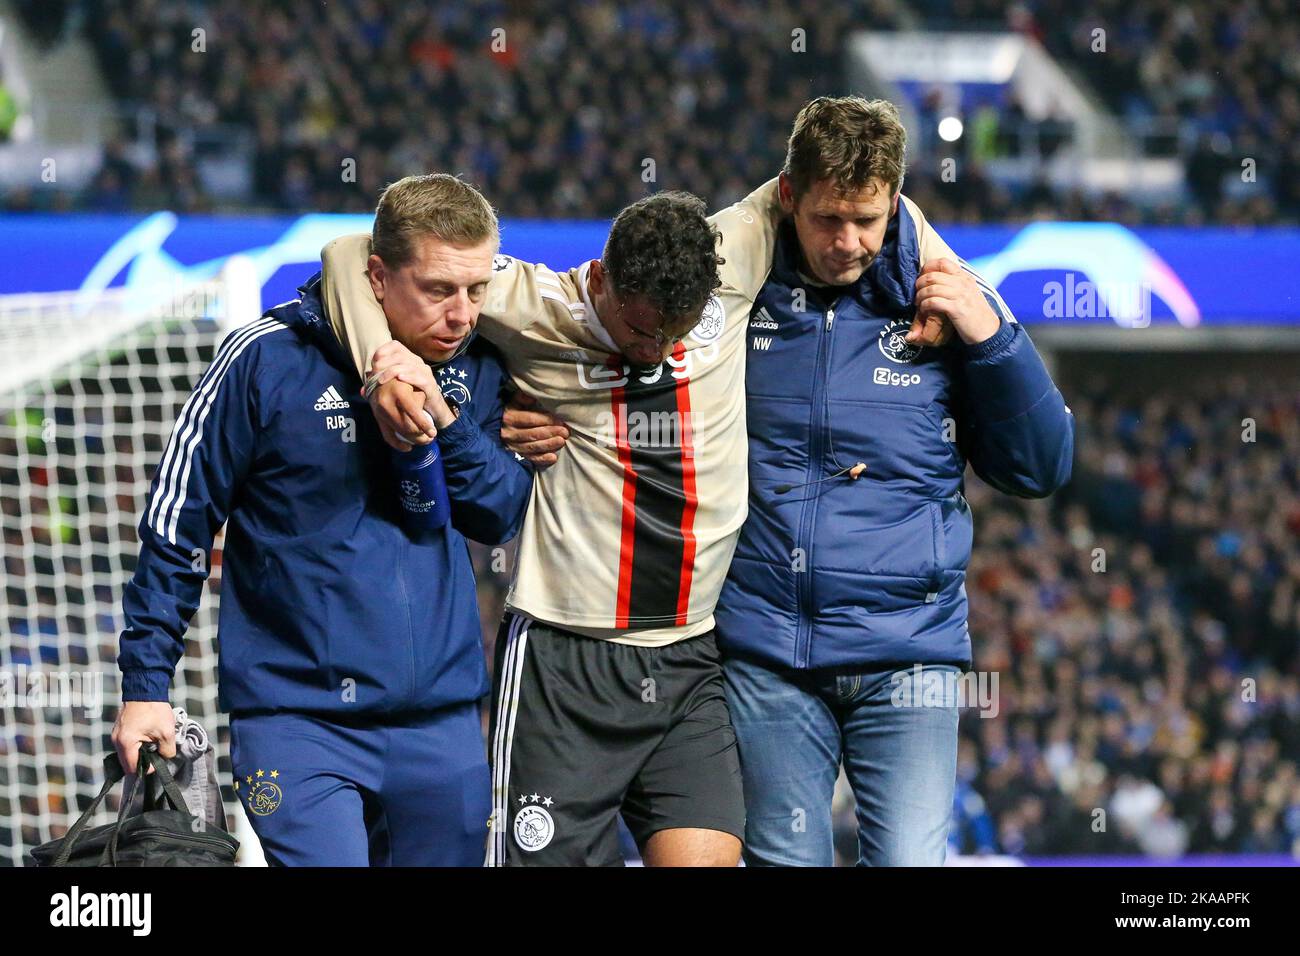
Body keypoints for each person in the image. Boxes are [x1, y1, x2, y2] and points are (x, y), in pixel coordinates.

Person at [503, 96, 1074, 866]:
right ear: (787, 198)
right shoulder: (729, 289)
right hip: (768, 655)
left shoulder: (947, 299)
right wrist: (507, 410)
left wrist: (995, 337)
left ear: (896, 204)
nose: (848, 242)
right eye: (829, 219)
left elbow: (1041, 466)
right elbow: (611, 321)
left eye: (869, 220)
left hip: (907, 651)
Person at [320, 186, 785, 866]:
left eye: (675, 333)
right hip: (565, 663)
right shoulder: (533, 306)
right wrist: (382, 363)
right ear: (600, 279)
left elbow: (836, 162)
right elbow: (347, 250)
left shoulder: (729, 265)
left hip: (689, 657)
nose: (657, 352)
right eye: (640, 330)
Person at [112, 173, 532, 865]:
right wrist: (145, 687)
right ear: (376, 276)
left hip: (442, 722)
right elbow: (176, 526)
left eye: (476, 290)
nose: (461, 314)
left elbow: (497, 513)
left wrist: (444, 416)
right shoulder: (263, 360)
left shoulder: (480, 364)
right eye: (437, 290)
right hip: (297, 723)